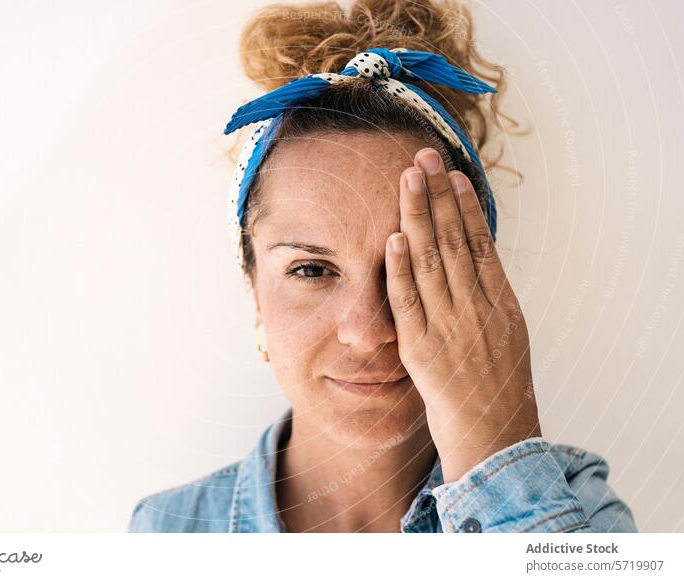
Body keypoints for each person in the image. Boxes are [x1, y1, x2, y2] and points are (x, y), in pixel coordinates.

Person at [128, 0, 636, 533]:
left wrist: (496, 449)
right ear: (255, 290)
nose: (368, 334)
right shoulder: (168, 531)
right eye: (311, 270)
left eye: (414, 265)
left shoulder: (580, 511)